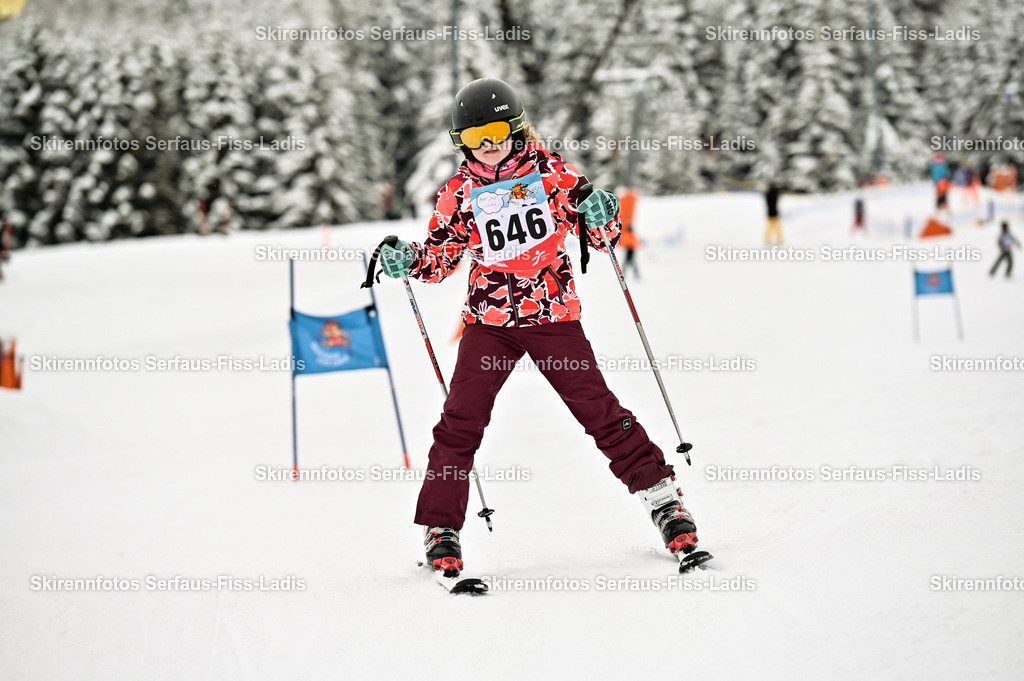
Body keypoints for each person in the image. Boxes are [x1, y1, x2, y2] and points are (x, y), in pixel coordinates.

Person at [377, 78, 700, 576]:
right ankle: (440, 527)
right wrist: (409, 260)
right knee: (460, 422)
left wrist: (602, 212)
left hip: (553, 318)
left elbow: (600, 231)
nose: (488, 144)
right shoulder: (457, 193)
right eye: (475, 136)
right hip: (489, 324)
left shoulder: (552, 175)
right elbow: (441, 259)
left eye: (497, 131)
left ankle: (663, 500)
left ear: (517, 128)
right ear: (460, 141)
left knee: (599, 411)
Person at [617, 188, 641, 278]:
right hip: (630, 249)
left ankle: (627, 274)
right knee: (630, 262)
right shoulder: (631, 234)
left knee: (628, 262)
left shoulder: (629, 234)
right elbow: (634, 242)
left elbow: (631, 241)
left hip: (630, 249)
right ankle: (634, 274)